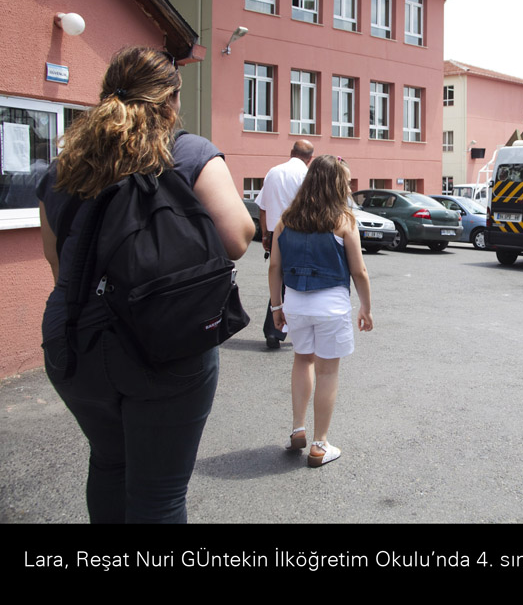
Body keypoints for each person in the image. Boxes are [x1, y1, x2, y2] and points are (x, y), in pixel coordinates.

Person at [36, 47, 254, 523]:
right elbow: (238, 238)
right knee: (159, 497)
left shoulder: (61, 171)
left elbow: (59, 269)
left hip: (74, 341)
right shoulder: (189, 152)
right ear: (171, 102)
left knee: (110, 462)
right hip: (163, 339)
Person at [268, 155, 373, 467]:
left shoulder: (286, 220)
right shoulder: (344, 222)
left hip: (296, 303)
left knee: (302, 361)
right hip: (332, 305)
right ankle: (319, 444)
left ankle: (297, 429)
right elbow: (360, 272)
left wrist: (277, 305)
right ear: (338, 185)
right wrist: (366, 308)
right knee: (328, 370)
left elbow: (275, 266)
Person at [256, 140, 315, 348]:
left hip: (274, 232)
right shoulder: (306, 176)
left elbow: (262, 207)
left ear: (291, 152)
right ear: (310, 159)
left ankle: (275, 328)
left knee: (278, 280)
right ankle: (284, 328)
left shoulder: (273, 171)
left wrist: (265, 234)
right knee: (296, 283)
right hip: (298, 233)